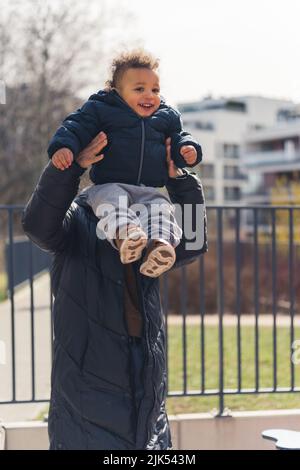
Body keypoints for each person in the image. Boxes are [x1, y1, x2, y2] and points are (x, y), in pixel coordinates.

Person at [22, 105, 207, 452]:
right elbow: (37, 226)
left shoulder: (151, 222)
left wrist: (180, 183)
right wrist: (70, 168)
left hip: (146, 393)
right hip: (85, 396)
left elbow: (193, 244)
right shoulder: (78, 217)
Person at [48, 49, 203, 278]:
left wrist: (187, 150)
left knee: (161, 210)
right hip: (109, 183)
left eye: (155, 89)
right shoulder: (101, 108)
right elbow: (75, 126)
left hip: (148, 189)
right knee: (112, 202)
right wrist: (64, 147)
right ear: (117, 92)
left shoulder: (167, 116)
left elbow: (179, 136)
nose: (149, 95)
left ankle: (158, 247)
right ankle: (126, 234)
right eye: (139, 89)